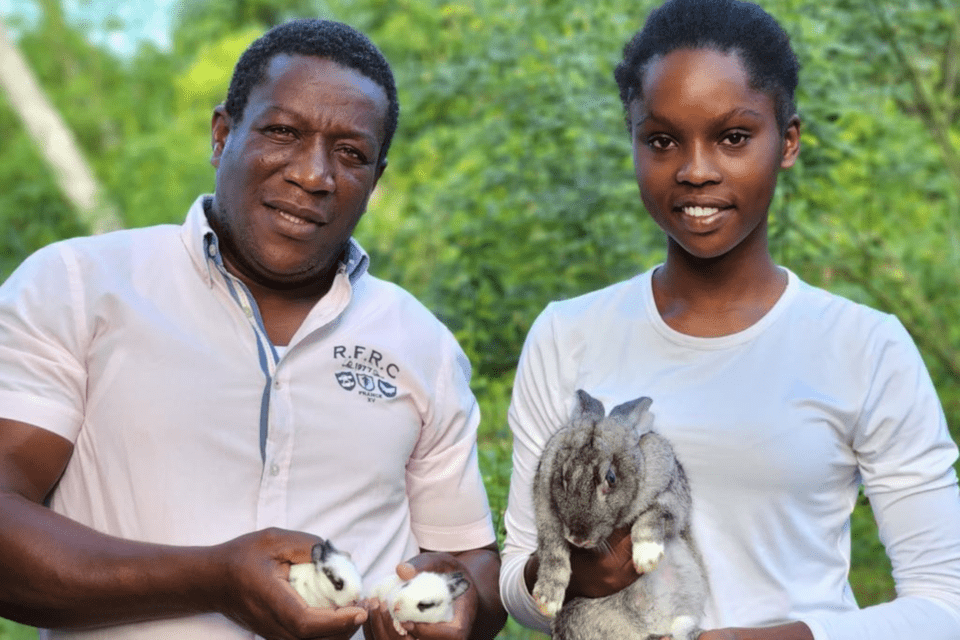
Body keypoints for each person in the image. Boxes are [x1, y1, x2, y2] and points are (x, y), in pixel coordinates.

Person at [0, 18, 505, 640]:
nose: (313, 175)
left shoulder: (421, 342)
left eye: (350, 154)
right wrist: (214, 578)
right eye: (283, 132)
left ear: (374, 180)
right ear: (222, 134)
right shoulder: (78, 285)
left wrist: (457, 602)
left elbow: (474, 564)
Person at [498, 0, 960, 639]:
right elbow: (518, 584)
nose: (696, 169)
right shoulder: (568, 332)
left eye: (733, 137)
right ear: (632, 141)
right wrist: (574, 574)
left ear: (788, 142)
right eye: (662, 140)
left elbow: (945, 603)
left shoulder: (865, 347)